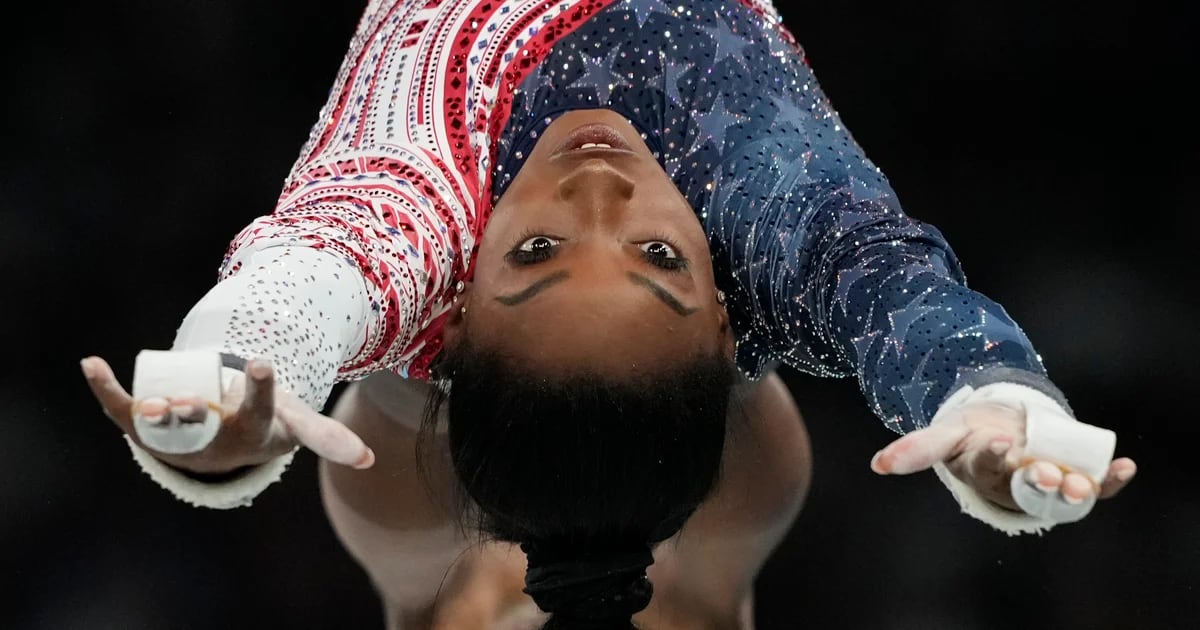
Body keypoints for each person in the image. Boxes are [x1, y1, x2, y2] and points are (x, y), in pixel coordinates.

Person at [81, 0, 1138, 627]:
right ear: (727, 316)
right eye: (659, 258)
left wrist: (224, 397)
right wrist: (989, 395)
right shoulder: (764, 219)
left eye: (538, 251)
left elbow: (305, 284)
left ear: (447, 330)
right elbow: (894, 291)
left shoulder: (422, 209)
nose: (597, 196)